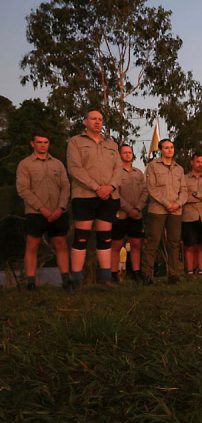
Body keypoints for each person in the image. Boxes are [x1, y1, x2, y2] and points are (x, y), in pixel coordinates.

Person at [66, 110, 122, 289]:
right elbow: (75, 168)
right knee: (81, 237)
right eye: (93, 119)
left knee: (105, 238)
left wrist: (110, 187)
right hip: (84, 195)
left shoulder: (112, 144)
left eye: (100, 119)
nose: (97, 122)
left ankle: (105, 278)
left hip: (109, 196)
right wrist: (97, 188)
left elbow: (118, 169)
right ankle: (76, 280)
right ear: (85, 121)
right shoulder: (75, 142)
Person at [16, 133, 71, 290]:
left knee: (61, 243)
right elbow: (23, 189)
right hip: (35, 212)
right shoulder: (25, 164)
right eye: (39, 142)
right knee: (32, 245)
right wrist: (42, 209)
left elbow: (65, 186)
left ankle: (66, 281)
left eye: (45, 142)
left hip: (58, 212)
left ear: (49, 144)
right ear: (32, 143)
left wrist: (60, 208)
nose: (42, 145)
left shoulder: (58, 164)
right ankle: (31, 283)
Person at [141, 138, 186, 284]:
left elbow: (184, 190)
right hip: (158, 210)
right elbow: (151, 188)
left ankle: (174, 274)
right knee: (153, 242)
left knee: (174, 242)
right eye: (166, 147)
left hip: (176, 211)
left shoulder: (179, 169)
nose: (169, 150)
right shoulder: (153, 166)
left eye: (172, 147)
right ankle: (147, 275)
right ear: (161, 150)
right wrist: (167, 203)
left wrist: (177, 203)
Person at [110, 144, 147, 283]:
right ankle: (113, 274)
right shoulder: (115, 172)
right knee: (117, 244)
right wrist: (128, 209)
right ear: (119, 155)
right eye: (124, 152)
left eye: (130, 152)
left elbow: (145, 192)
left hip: (137, 214)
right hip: (120, 214)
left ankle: (136, 272)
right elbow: (115, 193)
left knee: (136, 243)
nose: (127, 154)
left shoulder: (138, 173)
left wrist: (137, 208)